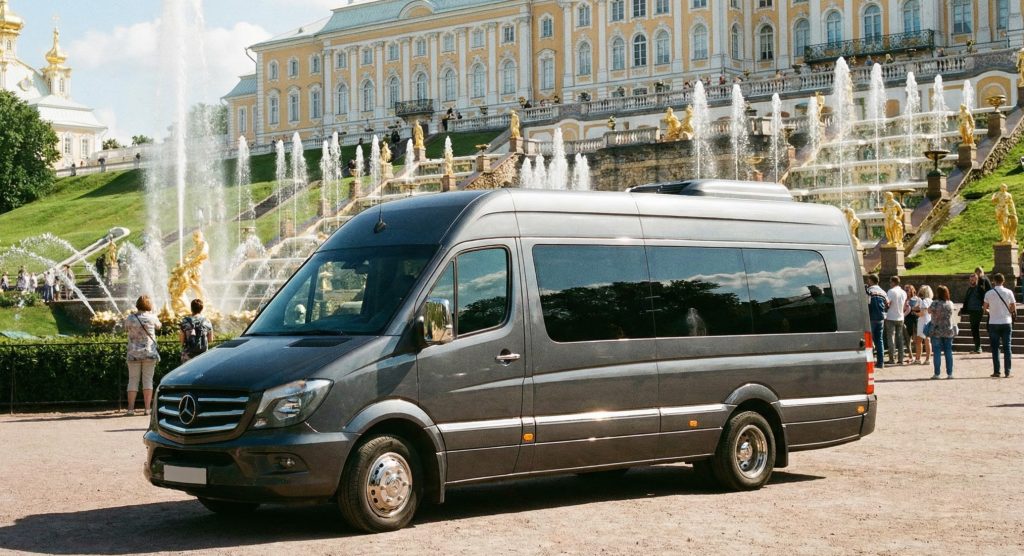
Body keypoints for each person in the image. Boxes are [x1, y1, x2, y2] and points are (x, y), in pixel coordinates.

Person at [124, 295, 161, 415]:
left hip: (133, 353)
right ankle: (147, 409)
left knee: (133, 381)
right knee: (148, 381)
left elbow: (125, 329)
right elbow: (159, 326)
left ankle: (130, 409)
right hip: (149, 353)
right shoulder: (152, 317)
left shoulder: (130, 318)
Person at [983, 273, 1016, 378]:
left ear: (993, 281)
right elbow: (1013, 308)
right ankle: (1008, 371)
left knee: (995, 348)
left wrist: (991, 311)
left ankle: (997, 371)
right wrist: (1007, 312)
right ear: (1003, 280)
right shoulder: (1009, 292)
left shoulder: (989, 293)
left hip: (993, 322)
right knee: (1007, 347)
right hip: (1006, 322)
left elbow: (985, 309)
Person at [928, 285, 956, 379]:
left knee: (937, 352)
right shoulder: (950, 303)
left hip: (937, 330)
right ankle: (950, 373)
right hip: (948, 330)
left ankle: (937, 373)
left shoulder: (935, 303)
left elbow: (929, 311)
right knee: (948, 351)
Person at [962, 271, 990, 353]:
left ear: (977, 280)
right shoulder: (969, 289)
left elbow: (984, 299)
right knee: (974, 329)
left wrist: (986, 307)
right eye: (970, 280)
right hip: (971, 311)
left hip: (978, 311)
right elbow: (966, 300)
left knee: (975, 328)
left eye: (973, 280)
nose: (971, 282)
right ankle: (977, 347)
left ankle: (978, 347)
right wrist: (963, 310)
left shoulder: (980, 289)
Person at [179, 298, 213, 363]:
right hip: (203, 355)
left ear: (191, 308)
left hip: (188, 355)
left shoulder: (185, 321)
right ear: (202, 309)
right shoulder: (207, 321)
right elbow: (210, 340)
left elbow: (182, 341)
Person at [866, 274, 888, 368]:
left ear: (871, 281)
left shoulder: (869, 291)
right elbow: (888, 304)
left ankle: (870, 361)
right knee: (880, 340)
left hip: (871, 317)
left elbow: (866, 303)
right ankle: (881, 362)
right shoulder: (883, 292)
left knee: (869, 340)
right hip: (881, 318)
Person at [885, 276, 908, 365]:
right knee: (900, 338)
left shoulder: (891, 291)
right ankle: (901, 358)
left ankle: (892, 358)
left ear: (893, 282)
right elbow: (905, 305)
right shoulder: (903, 292)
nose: (890, 284)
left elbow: (887, 303)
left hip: (891, 316)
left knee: (891, 338)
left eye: (890, 282)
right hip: (900, 317)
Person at [914, 285, 933, 365]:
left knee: (919, 341)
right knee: (927, 340)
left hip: (923, 322)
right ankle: (927, 359)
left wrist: (915, 313)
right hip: (929, 321)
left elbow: (922, 313)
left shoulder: (924, 301)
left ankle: (918, 358)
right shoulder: (931, 301)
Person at [904, 285, 920, 363]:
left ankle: (917, 356)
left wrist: (912, 308)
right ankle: (911, 355)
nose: (906, 291)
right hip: (907, 319)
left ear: (912, 290)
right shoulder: (904, 299)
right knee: (907, 338)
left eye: (907, 290)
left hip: (915, 319)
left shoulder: (917, 298)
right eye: (905, 290)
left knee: (916, 339)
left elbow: (920, 308)